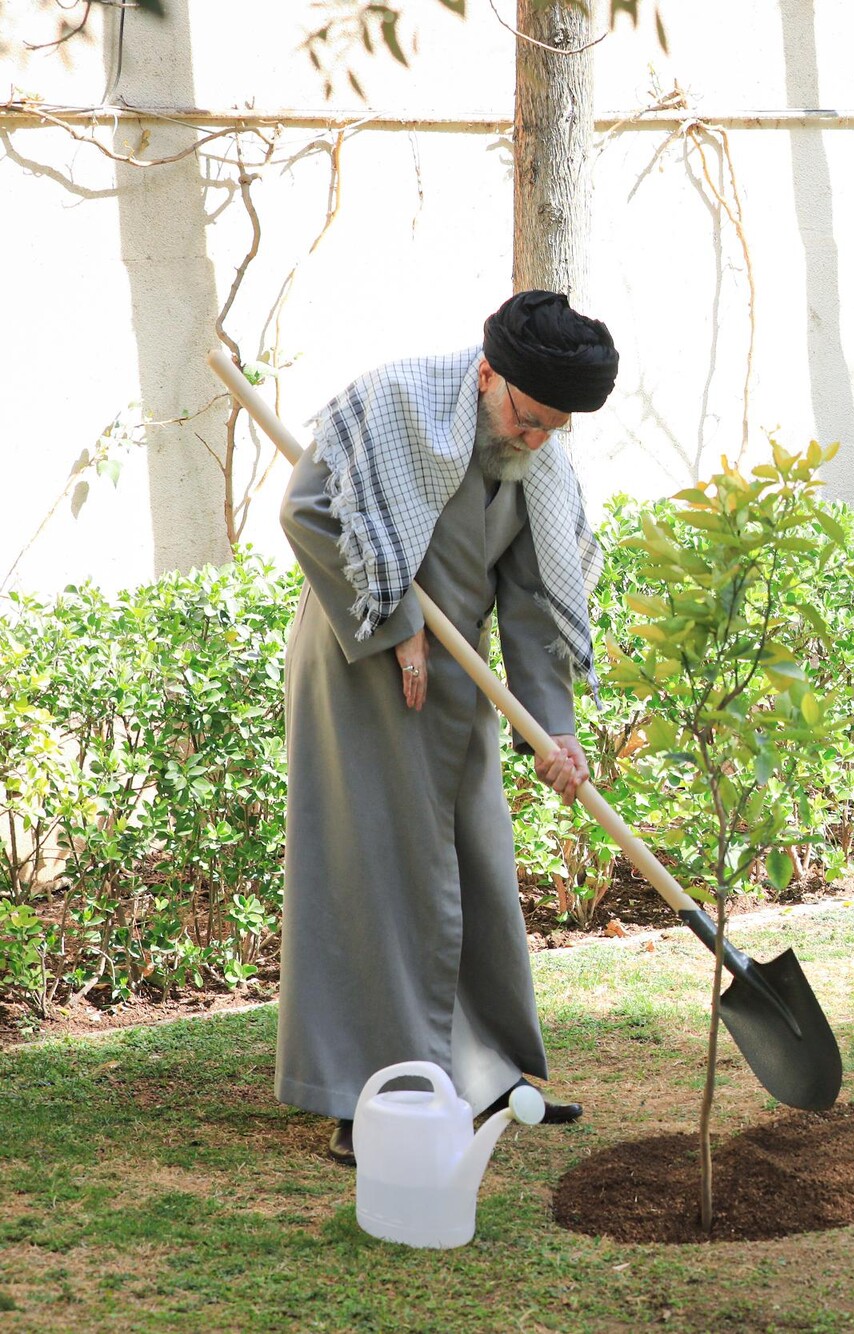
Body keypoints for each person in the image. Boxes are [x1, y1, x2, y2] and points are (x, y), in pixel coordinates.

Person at [276, 290, 615, 1165]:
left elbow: (533, 603)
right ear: (488, 374)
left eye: (554, 429)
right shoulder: (394, 404)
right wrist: (397, 622)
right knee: (379, 879)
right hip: (359, 669)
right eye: (528, 419)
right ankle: (371, 1099)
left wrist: (554, 729)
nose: (535, 440)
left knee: (470, 866)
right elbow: (305, 511)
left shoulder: (537, 466)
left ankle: (484, 1071)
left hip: (459, 685)